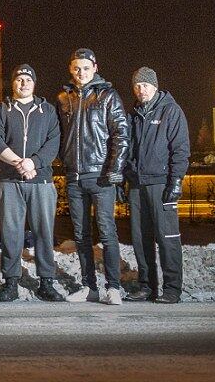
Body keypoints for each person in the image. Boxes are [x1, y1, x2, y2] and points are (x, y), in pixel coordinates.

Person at [57, 48, 129, 305]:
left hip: (100, 176)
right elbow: (60, 135)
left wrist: (114, 170)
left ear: (95, 68)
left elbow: (121, 133)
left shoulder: (108, 96)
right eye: (76, 68)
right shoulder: (64, 98)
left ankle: (113, 287)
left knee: (107, 231)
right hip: (74, 177)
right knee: (80, 235)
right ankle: (89, 287)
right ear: (70, 69)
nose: (81, 72)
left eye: (86, 68)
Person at [0, 64, 64, 302]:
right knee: (11, 232)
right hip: (9, 181)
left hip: (40, 181)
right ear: (13, 83)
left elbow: (54, 142)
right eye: (19, 79)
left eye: (27, 80)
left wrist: (33, 163)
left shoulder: (48, 111)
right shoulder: (1, 109)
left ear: (34, 83)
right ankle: (11, 282)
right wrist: (18, 163)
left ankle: (46, 282)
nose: (23, 83)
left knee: (44, 232)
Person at [124, 67, 190, 304]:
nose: (141, 90)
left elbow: (180, 150)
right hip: (137, 185)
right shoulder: (133, 114)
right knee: (140, 239)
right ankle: (146, 286)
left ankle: (172, 289)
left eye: (145, 85)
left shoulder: (171, 111)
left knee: (167, 238)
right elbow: (127, 150)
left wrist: (176, 182)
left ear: (155, 86)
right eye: (137, 86)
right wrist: (126, 178)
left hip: (161, 185)